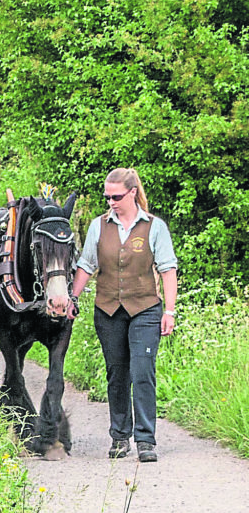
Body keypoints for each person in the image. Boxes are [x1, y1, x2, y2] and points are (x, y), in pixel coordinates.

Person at [69, 167, 178, 463]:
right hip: (108, 309)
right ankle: (119, 436)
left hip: (145, 307)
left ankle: (145, 440)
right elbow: (86, 265)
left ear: (132, 193)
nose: (111, 202)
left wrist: (169, 310)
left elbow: (168, 269)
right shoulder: (98, 226)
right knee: (117, 373)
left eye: (116, 196)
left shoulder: (154, 227)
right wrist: (72, 299)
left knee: (142, 371)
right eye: (107, 197)